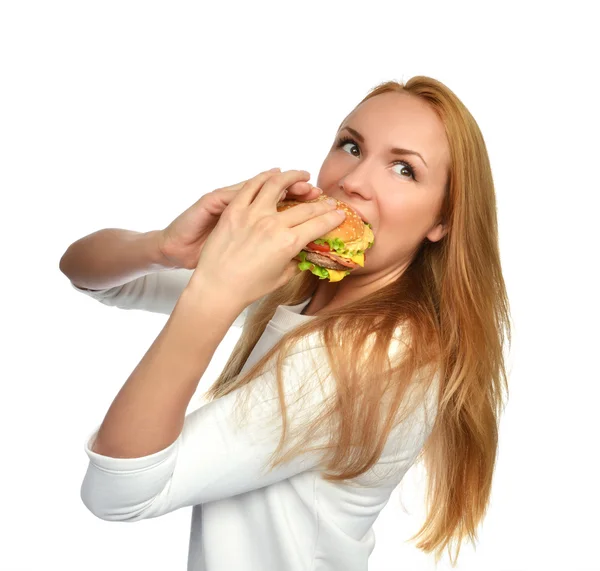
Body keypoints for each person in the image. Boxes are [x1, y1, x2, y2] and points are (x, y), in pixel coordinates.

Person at [60, 76, 511, 571]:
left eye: (404, 169)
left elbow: (119, 491)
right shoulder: (301, 284)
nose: (354, 181)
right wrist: (165, 246)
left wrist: (215, 293)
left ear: (441, 221)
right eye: (351, 145)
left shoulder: (367, 358)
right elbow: (90, 274)